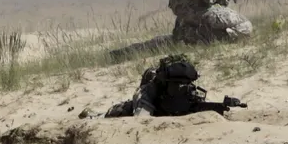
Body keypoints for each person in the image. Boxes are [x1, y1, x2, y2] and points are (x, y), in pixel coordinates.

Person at [102, 53, 245, 118]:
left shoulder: (188, 92)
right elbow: (141, 121)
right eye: (176, 85)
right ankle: (93, 115)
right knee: (117, 112)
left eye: (184, 84)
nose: (181, 88)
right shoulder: (150, 91)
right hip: (135, 109)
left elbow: (199, 107)